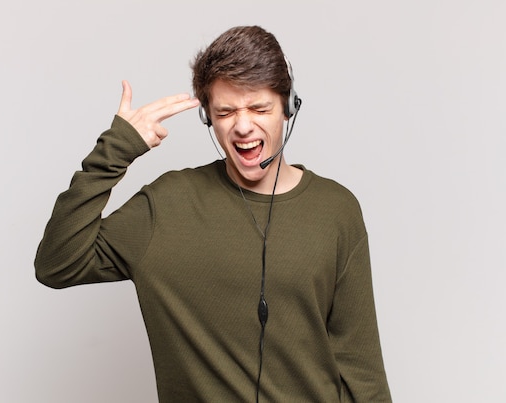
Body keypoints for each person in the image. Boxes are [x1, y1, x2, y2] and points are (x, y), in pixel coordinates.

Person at [35, 25, 392, 402]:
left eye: (259, 108)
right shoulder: (167, 205)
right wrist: (115, 150)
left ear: (287, 108)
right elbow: (57, 263)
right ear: (208, 118)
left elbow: (361, 368)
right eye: (225, 112)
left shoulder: (335, 210)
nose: (242, 125)